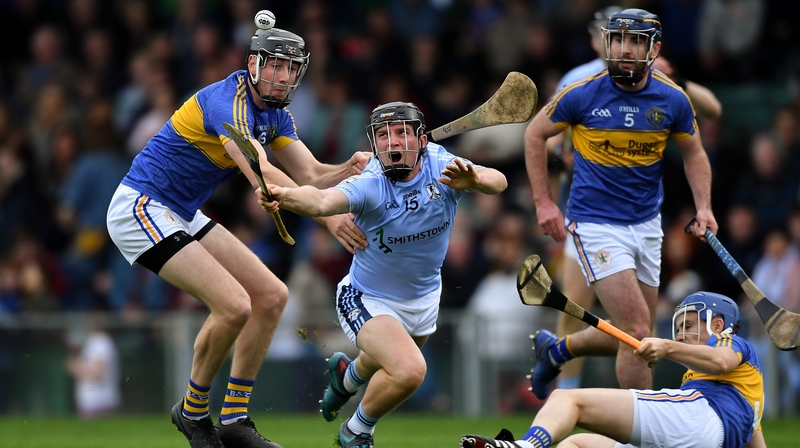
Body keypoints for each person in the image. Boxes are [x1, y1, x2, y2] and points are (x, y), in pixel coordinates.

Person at [106, 12, 370, 448]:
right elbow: (263, 172)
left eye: (291, 69)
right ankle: (193, 413)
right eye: (275, 66)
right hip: (141, 206)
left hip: (181, 211)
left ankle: (233, 421)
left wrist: (349, 167)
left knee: (271, 296)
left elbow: (311, 174)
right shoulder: (226, 102)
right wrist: (327, 216)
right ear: (253, 65)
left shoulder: (276, 116)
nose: (284, 77)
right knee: (233, 306)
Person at [259, 101, 507, 447]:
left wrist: (477, 179)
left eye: (401, 132)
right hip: (366, 297)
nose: (392, 142)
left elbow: (500, 181)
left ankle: (347, 378)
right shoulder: (370, 184)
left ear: (421, 140)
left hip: (424, 297)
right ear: (375, 144)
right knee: (409, 371)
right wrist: (285, 197)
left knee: (381, 362)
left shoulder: (441, 165)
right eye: (383, 135)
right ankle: (357, 430)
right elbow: (320, 201)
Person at [524, 8, 718, 399]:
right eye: (617, 40)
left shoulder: (672, 98)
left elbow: (695, 153)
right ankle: (642, 433)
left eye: (635, 41)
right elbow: (534, 134)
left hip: (646, 225)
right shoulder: (582, 92)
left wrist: (704, 208)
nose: (625, 49)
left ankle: (558, 348)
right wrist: (544, 203)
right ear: (606, 43)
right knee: (637, 332)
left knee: (636, 332)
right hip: (595, 224)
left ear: (654, 48)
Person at [460, 291, 766, 448]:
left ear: (717, 324)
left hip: (698, 422)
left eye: (687, 325)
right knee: (574, 443)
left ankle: (525, 446)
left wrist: (667, 347)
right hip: (699, 436)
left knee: (566, 400)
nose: (680, 334)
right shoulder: (743, 398)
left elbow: (722, 360)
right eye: (677, 329)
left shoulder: (732, 342)